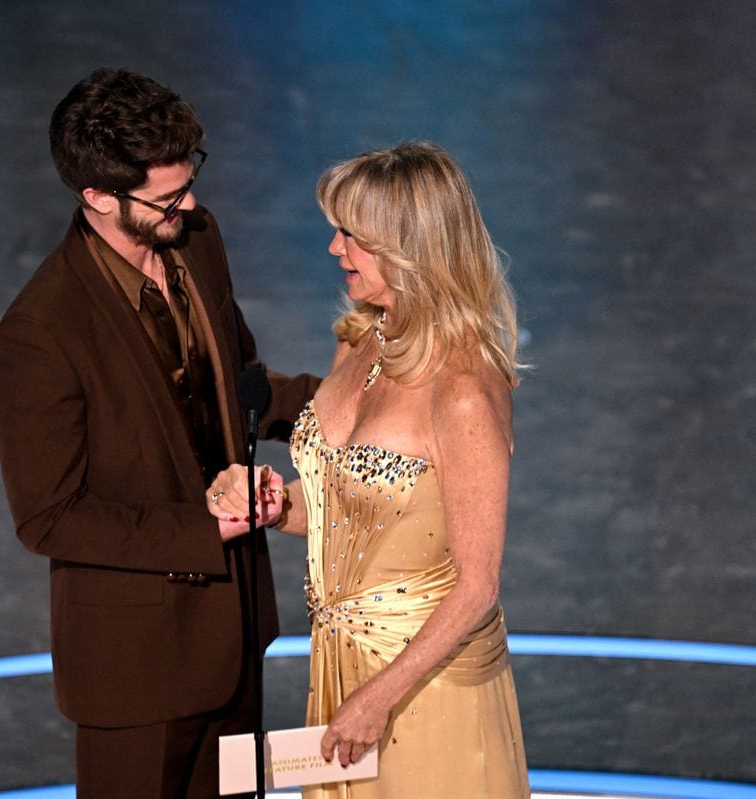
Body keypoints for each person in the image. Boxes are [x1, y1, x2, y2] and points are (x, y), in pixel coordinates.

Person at [0, 68, 319, 798]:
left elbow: (237, 384)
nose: (190, 203)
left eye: (189, 180)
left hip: (235, 636)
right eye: (167, 196)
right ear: (98, 196)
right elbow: (49, 515)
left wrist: (355, 404)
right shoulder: (39, 334)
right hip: (136, 672)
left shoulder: (197, 240)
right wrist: (209, 528)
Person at [207, 141, 530, 797]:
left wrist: (380, 696)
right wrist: (273, 505)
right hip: (342, 673)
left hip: (422, 690)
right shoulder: (358, 339)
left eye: (351, 235)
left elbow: (477, 585)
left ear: (408, 247)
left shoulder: (462, 388)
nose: (334, 249)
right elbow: (348, 506)